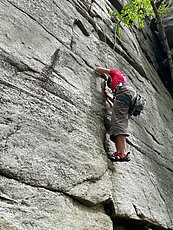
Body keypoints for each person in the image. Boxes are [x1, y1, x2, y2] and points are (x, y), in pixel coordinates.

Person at [96, 67, 136, 162]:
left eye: (109, 85)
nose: (110, 87)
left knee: (118, 122)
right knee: (118, 121)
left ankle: (123, 153)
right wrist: (109, 97)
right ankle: (120, 152)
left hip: (125, 93)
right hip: (129, 96)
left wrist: (105, 77)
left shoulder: (115, 74)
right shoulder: (122, 82)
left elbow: (98, 69)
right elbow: (118, 103)